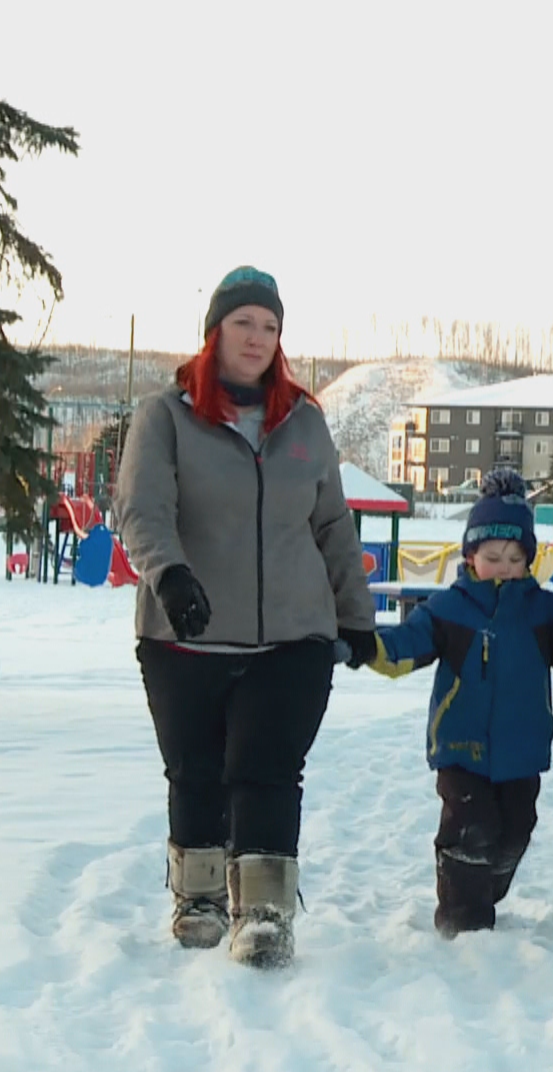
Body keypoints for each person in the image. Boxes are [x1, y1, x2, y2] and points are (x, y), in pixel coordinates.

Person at [115, 265, 378, 969]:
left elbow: (332, 525)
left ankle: (262, 911)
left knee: (266, 771)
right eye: (244, 324)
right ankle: (199, 897)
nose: (258, 338)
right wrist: (169, 575)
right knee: (195, 771)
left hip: (292, 636)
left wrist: (355, 617)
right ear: (215, 333)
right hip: (185, 635)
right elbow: (142, 509)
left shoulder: (304, 422)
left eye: (270, 326)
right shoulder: (165, 417)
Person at [356, 470, 553, 937]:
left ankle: (484, 887)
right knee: (469, 830)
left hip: (522, 749)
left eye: (516, 558)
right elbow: (405, 647)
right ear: (470, 555)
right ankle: (462, 920)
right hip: (462, 745)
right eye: (493, 556)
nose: (504, 565)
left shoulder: (543, 611)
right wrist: (366, 647)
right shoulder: (449, 609)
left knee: (515, 829)